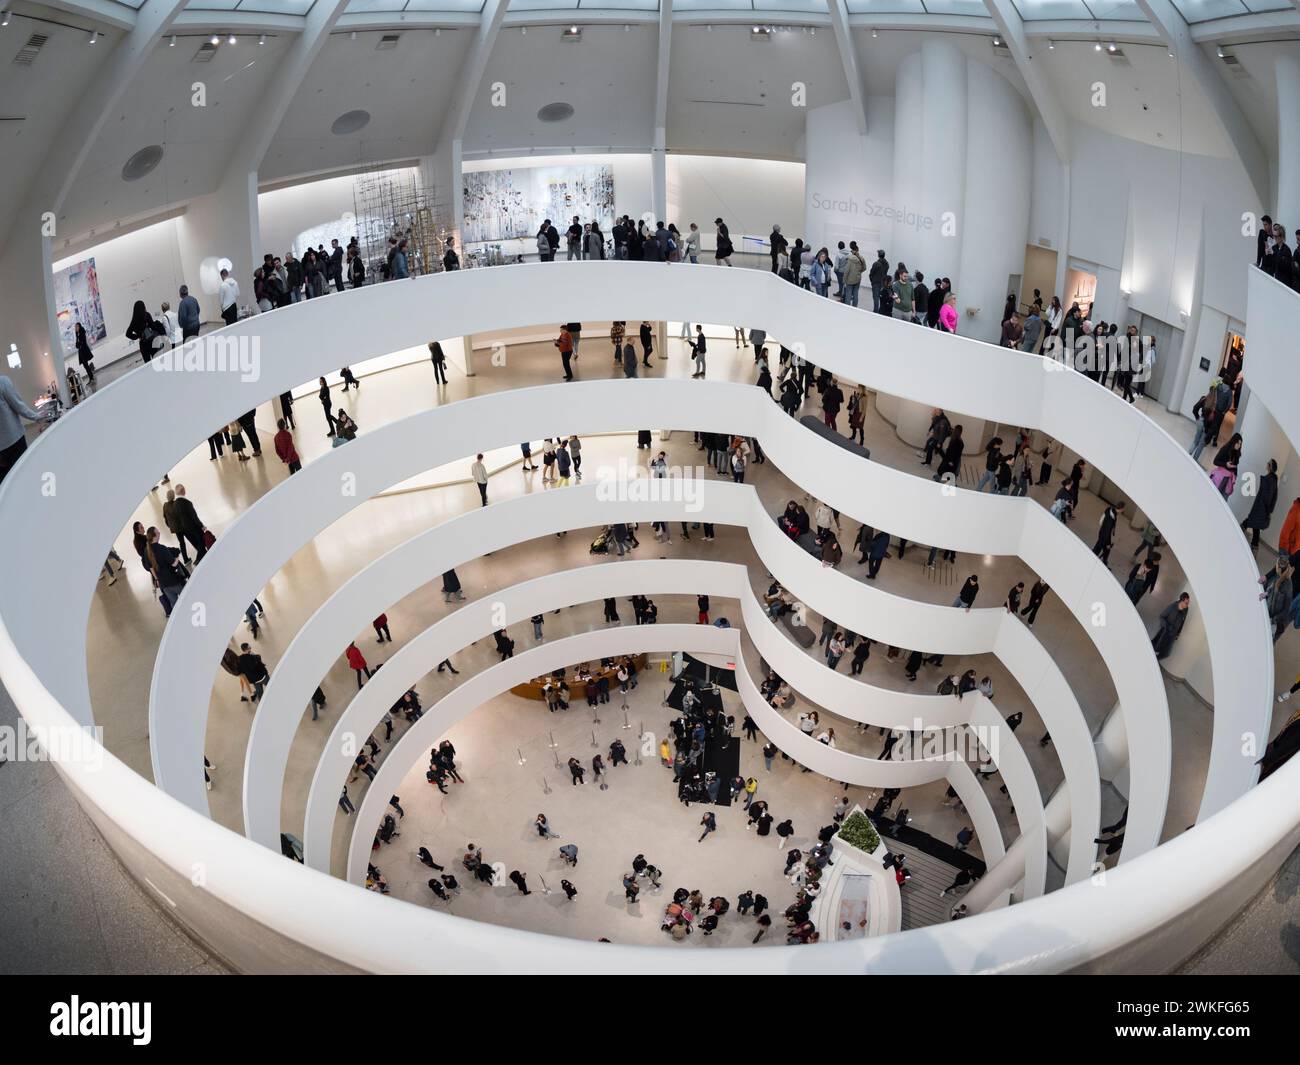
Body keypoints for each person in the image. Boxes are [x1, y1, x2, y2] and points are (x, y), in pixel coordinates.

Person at [1243, 458, 1279, 549]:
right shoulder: (1273, 480)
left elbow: (1268, 496)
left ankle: (1237, 536)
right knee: (1254, 527)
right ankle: (1253, 549)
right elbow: (1274, 497)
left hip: (1261, 508)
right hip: (1262, 508)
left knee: (1251, 525)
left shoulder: (1269, 480)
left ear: (1270, 467)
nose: (1266, 464)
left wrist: (1265, 509)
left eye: (1268, 463)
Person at [1151, 592, 1191, 660]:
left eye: (1188, 603)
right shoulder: (1172, 607)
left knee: (1166, 654)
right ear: (1181, 601)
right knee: (1155, 648)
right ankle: (1151, 660)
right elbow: (1161, 616)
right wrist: (1166, 627)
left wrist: (1178, 633)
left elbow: (1182, 621)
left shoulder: (1186, 609)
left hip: (1173, 635)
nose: (1187, 605)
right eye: (1186, 603)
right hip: (1165, 633)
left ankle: (1155, 660)